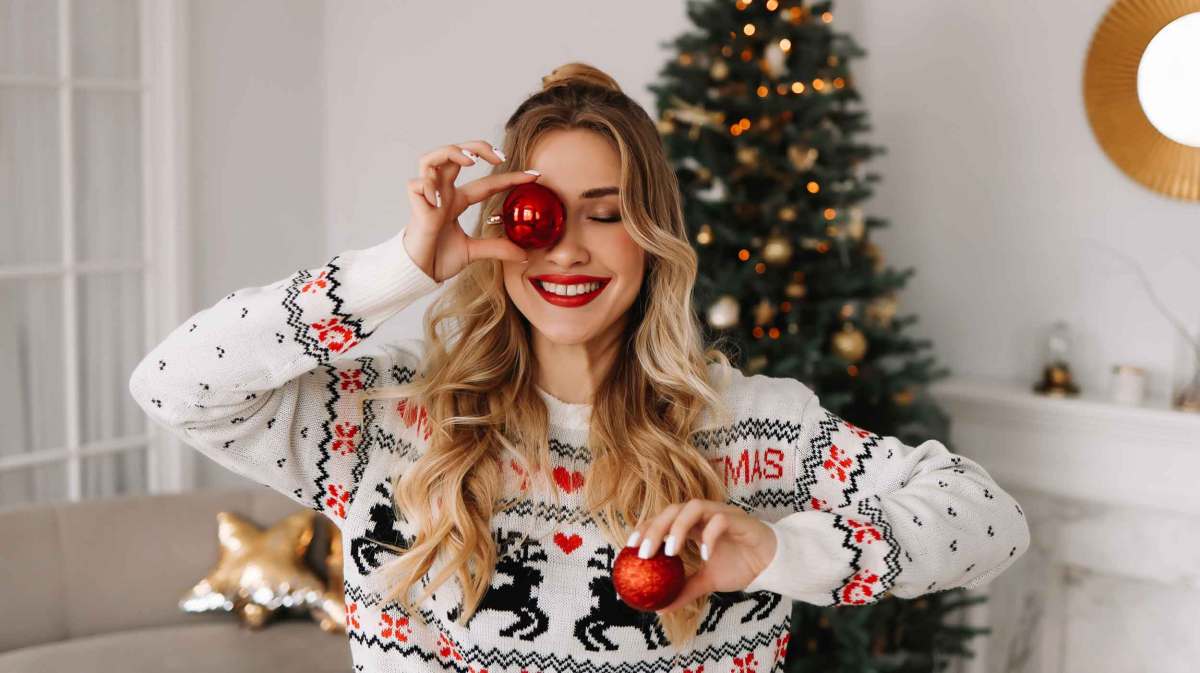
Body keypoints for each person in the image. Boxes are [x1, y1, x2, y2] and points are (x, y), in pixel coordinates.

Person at [129, 62, 1030, 672]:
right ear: (495, 228)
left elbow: (992, 521)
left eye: (605, 212)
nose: (565, 249)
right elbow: (172, 383)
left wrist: (780, 551)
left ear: (651, 239)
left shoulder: (758, 427)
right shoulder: (386, 416)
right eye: (536, 211)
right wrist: (396, 270)